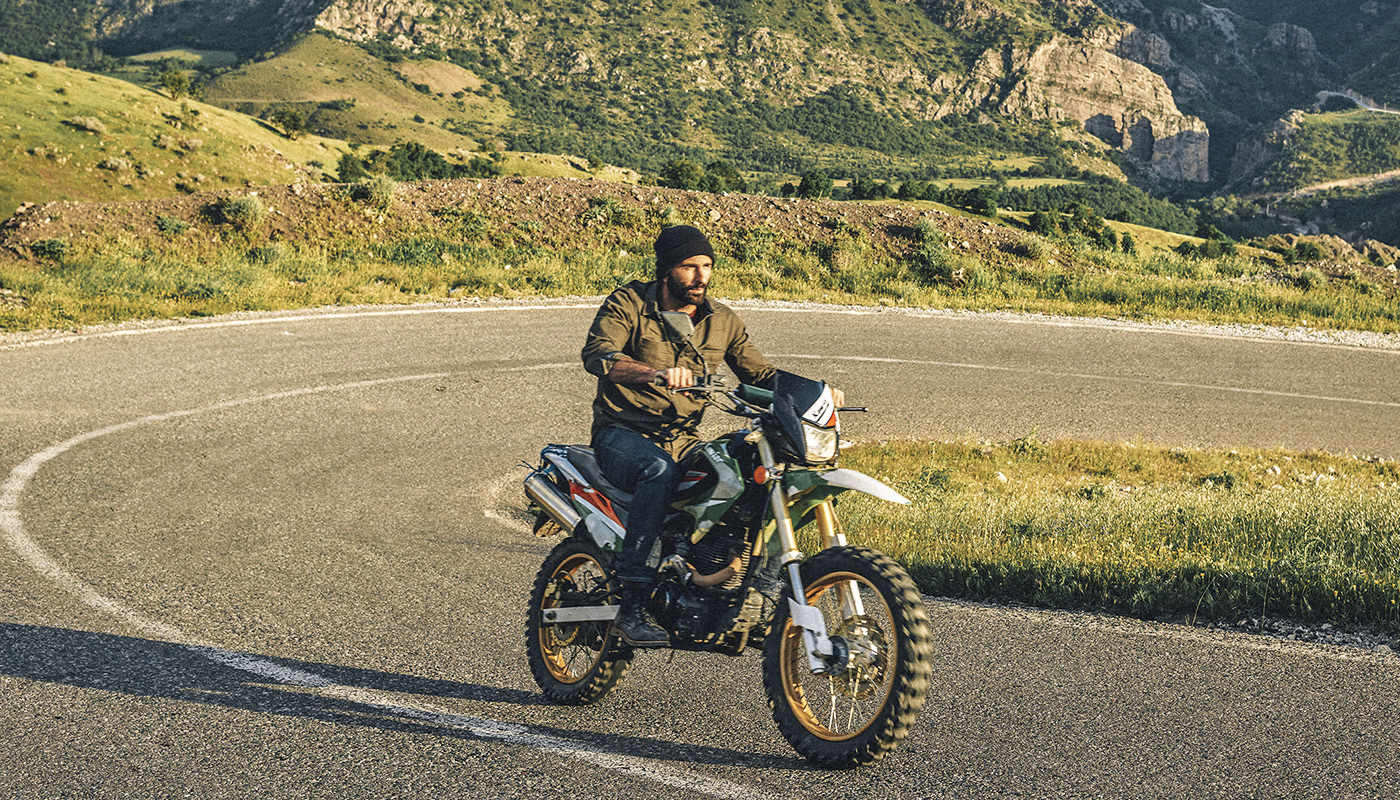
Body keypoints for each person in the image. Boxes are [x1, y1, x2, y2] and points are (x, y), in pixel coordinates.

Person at [581, 224, 780, 647]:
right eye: (690, 266)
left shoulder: (721, 320)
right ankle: (630, 603)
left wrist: (815, 390)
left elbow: (760, 374)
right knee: (658, 471)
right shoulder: (630, 303)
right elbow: (599, 355)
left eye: (707, 266)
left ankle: (742, 588)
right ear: (667, 269)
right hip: (622, 431)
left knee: (746, 472)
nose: (701, 276)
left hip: (684, 437)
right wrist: (653, 373)